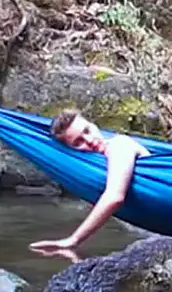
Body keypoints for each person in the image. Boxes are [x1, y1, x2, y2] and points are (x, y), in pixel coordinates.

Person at [29, 109, 151, 254]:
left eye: (87, 131)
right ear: (72, 151)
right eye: (78, 142)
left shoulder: (118, 145)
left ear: (94, 125)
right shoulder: (100, 162)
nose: (90, 141)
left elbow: (114, 197)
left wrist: (73, 240)